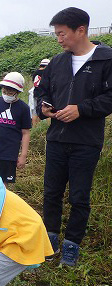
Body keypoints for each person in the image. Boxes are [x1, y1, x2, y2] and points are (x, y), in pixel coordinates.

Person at [36, 7, 112, 266]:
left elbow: (109, 98)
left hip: (86, 142)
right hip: (56, 138)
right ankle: (50, 239)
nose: (59, 39)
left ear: (81, 30)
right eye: (56, 34)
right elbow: (42, 91)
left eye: (62, 34)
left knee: (79, 196)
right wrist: (43, 107)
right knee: (51, 192)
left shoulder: (106, 59)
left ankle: (72, 245)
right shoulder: (57, 62)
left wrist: (82, 109)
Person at [28, 59, 49, 126]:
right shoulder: (47, 72)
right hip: (44, 94)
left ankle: (34, 127)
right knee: (48, 110)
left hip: (35, 93)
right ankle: (47, 127)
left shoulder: (35, 73)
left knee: (35, 112)